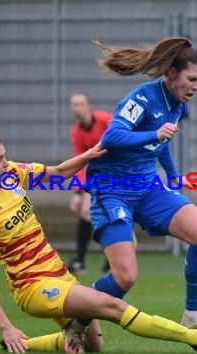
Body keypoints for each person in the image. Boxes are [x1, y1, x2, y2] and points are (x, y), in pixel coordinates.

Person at [0, 125, 197, 354]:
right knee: (113, 307)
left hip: (59, 275)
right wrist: (6, 327)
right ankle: (196, 338)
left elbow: (57, 172)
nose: (7, 162)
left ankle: (26, 345)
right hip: (33, 288)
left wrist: (89, 154)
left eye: (5, 156)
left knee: (94, 345)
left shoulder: (11, 175)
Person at [87, 37, 197, 329]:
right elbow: (111, 138)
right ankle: (79, 308)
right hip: (112, 192)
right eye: (192, 79)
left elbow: (162, 142)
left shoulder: (179, 105)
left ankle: (193, 318)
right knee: (125, 278)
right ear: (171, 73)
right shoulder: (142, 98)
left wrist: (172, 175)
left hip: (148, 188)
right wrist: (155, 134)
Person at [67, 92, 112, 274]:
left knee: (111, 214)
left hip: (114, 173)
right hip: (95, 177)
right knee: (85, 213)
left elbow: (120, 139)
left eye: (81, 104)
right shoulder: (76, 133)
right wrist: (78, 193)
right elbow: (79, 162)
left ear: (88, 105)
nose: (78, 108)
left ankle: (112, 260)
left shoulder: (105, 120)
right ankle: (79, 261)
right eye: (75, 105)